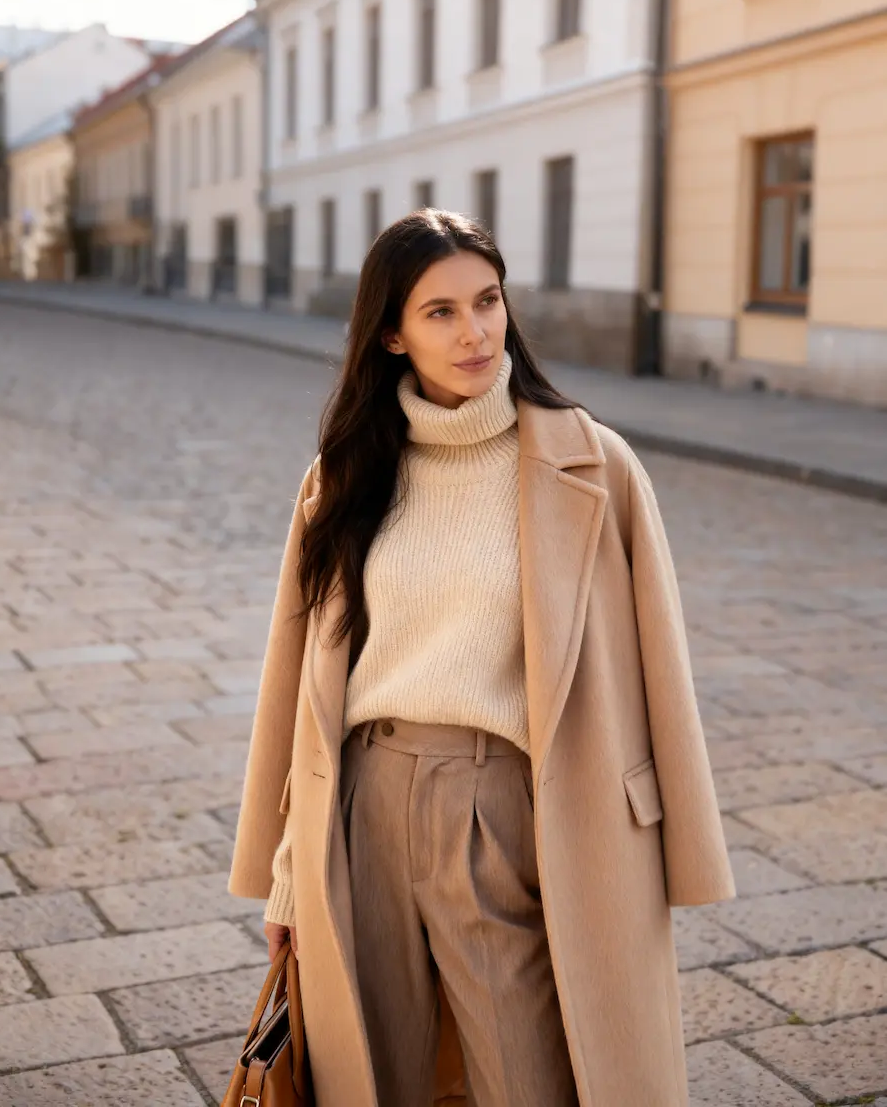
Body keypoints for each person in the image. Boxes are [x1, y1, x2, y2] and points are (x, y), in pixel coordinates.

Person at [229, 209, 735, 1107]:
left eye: (488, 302)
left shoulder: (592, 466)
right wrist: (285, 877)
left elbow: (661, 668)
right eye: (440, 313)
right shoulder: (344, 476)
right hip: (361, 804)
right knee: (374, 1074)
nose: (475, 333)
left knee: (526, 1072)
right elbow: (297, 690)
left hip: (507, 806)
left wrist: (681, 847)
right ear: (390, 333)